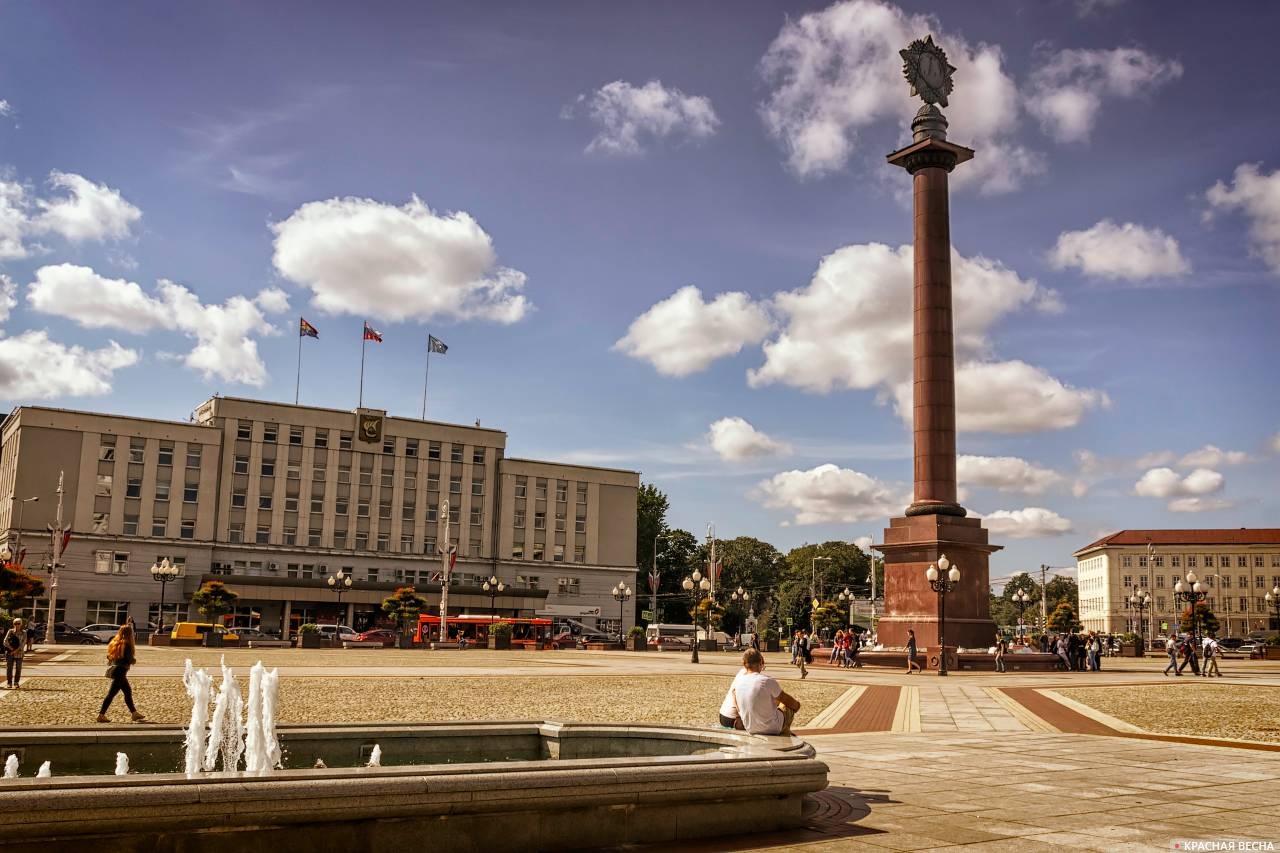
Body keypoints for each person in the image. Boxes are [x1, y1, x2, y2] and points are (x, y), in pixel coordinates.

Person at [732, 649, 800, 735]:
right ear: (761, 662)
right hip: (773, 728)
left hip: (750, 728)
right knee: (786, 705)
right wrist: (797, 705)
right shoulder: (766, 681)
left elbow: (737, 704)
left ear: (744, 664)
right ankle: (785, 733)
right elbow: (789, 701)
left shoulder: (738, 682)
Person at [98, 623, 144, 723]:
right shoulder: (127, 644)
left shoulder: (115, 642)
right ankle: (101, 715)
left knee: (127, 692)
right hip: (121, 671)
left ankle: (134, 713)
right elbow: (128, 659)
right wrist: (133, 660)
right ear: (129, 633)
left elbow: (109, 657)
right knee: (111, 694)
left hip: (117, 670)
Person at [718, 663, 750, 729]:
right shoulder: (751, 677)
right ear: (760, 664)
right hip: (734, 719)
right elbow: (735, 694)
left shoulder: (742, 672)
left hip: (722, 715)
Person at [4, 618, 25, 689]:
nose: (17, 625)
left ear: (21, 624)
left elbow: (23, 644)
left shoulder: (24, 632)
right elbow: (5, 641)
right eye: (15, 623)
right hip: (10, 653)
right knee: (9, 668)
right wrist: (11, 649)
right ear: (13, 624)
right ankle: (9, 683)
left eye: (18, 623)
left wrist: (15, 651)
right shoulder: (10, 631)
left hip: (19, 653)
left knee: (18, 668)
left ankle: (16, 682)